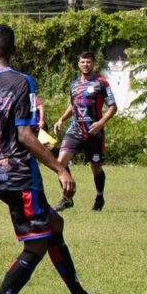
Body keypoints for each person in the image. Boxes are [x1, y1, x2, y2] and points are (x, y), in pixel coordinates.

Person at [0, 25, 116, 294]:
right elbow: (26, 135)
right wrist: (60, 167)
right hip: (19, 177)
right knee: (37, 243)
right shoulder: (22, 82)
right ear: (13, 50)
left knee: (54, 223)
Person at [52, 51, 117, 212]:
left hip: (94, 133)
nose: (85, 64)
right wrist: (61, 119)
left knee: (96, 168)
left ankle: (99, 197)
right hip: (75, 130)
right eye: (82, 62)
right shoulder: (74, 84)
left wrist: (101, 122)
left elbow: (113, 107)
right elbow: (73, 105)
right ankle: (67, 198)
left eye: (88, 62)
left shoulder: (102, 83)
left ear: (94, 63)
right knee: (60, 163)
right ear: (78, 64)